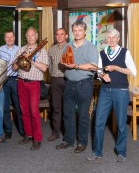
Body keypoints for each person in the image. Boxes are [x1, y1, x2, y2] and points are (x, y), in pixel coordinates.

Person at [87, 29, 137, 162]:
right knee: (98, 121)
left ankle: (121, 152)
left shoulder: (125, 52)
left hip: (121, 91)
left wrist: (116, 68)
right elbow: (98, 71)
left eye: (114, 37)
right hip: (105, 91)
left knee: (121, 123)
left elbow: (133, 72)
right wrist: (103, 75)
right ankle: (97, 152)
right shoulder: (102, 53)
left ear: (118, 38)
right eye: (109, 37)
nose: (111, 40)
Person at [56, 20, 99, 153]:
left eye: (80, 30)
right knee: (67, 114)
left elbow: (94, 66)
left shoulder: (90, 46)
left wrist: (77, 66)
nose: (77, 32)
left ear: (85, 32)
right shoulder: (67, 46)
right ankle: (68, 140)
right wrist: (63, 63)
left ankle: (82, 142)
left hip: (84, 84)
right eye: (74, 30)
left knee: (82, 115)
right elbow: (63, 62)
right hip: (69, 83)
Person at [13, 27, 48, 150]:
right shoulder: (21, 50)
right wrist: (19, 61)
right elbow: (13, 68)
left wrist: (31, 59)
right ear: (26, 37)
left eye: (32, 35)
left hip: (34, 84)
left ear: (36, 36)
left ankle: (37, 138)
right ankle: (28, 134)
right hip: (21, 82)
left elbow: (44, 68)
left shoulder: (41, 50)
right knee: (24, 111)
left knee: (34, 111)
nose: (30, 37)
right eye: (28, 35)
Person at [0, 31, 24, 139]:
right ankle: (8, 130)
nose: (9, 39)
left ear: (14, 38)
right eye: (7, 37)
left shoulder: (20, 50)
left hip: (16, 79)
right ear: (4, 38)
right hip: (4, 80)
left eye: (11, 37)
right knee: (5, 107)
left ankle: (22, 130)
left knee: (19, 106)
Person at [47, 28, 69, 141]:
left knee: (67, 108)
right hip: (55, 80)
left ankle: (67, 133)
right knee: (56, 107)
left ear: (66, 36)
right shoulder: (51, 49)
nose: (59, 36)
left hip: (68, 80)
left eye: (62, 34)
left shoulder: (71, 48)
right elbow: (49, 65)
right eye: (57, 34)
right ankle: (56, 132)